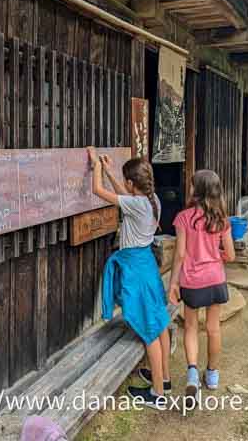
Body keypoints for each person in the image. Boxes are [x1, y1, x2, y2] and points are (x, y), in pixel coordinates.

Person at [87, 148, 171, 409]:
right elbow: (123, 196)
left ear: (132, 183)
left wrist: (96, 166)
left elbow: (99, 192)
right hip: (147, 266)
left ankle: (157, 394)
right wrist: (112, 171)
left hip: (137, 271)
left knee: (150, 332)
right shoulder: (151, 199)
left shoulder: (136, 203)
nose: (124, 185)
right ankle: (164, 379)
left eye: (126, 181)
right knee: (159, 323)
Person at [168, 170, 235, 397]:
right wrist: (217, 256)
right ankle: (213, 376)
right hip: (216, 279)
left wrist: (173, 284)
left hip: (192, 281)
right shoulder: (221, 218)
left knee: (191, 327)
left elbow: (179, 255)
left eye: (191, 185)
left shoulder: (184, 218)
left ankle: (193, 374)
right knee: (214, 329)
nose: (188, 188)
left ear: (197, 190)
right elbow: (232, 255)